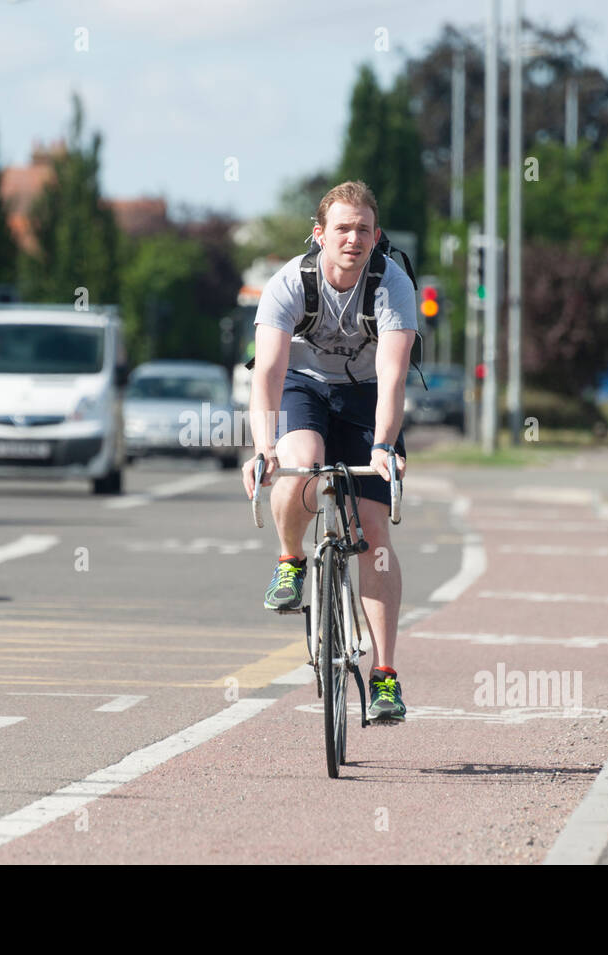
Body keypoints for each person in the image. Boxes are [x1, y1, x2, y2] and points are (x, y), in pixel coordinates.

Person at [241, 181, 417, 722]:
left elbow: (392, 377)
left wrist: (384, 446)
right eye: (342, 228)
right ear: (319, 234)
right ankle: (291, 560)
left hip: (366, 398)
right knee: (300, 468)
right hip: (304, 386)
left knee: (372, 529)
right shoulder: (289, 283)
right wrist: (264, 448)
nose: (353, 238)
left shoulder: (393, 285)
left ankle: (385, 676)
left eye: (364, 229)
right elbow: (268, 372)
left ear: (376, 236)